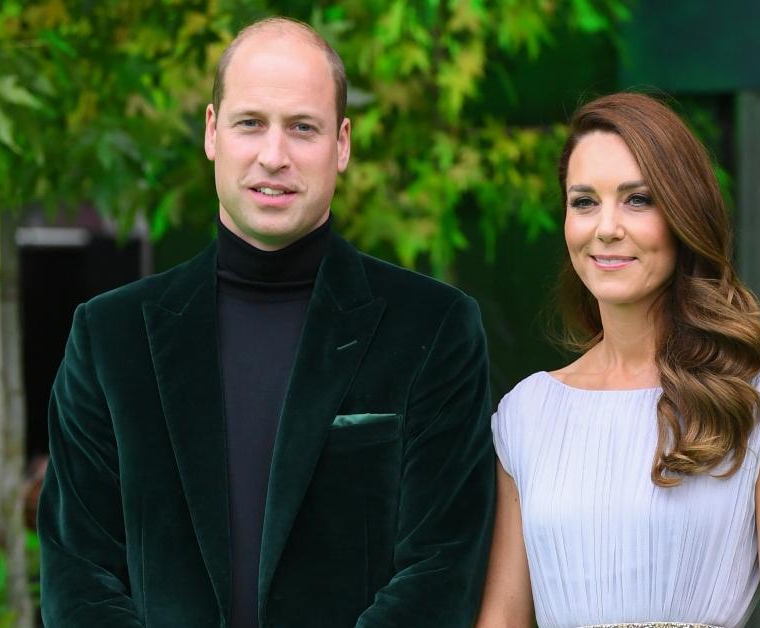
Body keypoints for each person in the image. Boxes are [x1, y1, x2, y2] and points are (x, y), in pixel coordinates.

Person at [37, 17, 495, 627]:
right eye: (250, 123)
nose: (273, 156)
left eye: (302, 128)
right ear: (211, 132)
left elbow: (441, 569)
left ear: (342, 143)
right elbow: (79, 577)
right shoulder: (108, 337)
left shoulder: (435, 330)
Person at [476, 93, 760, 628]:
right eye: (584, 201)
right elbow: (502, 618)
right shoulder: (528, 412)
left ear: (684, 213)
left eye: (637, 199)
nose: (606, 227)